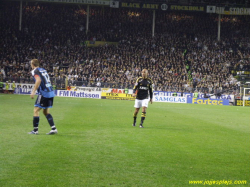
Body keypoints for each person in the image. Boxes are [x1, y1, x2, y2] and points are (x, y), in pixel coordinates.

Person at [28, 59, 58, 135]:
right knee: (45, 112)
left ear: (33, 64)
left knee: (36, 110)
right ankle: (53, 129)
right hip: (50, 92)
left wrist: (33, 91)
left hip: (44, 93)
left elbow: (38, 80)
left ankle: (35, 131)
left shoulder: (35, 71)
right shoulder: (43, 70)